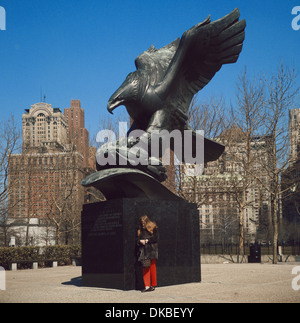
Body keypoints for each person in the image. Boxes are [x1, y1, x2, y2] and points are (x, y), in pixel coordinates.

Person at [137, 215, 159, 293]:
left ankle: (153, 285)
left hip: (152, 250)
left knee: (152, 267)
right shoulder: (140, 230)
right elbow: (137, 240)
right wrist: (140, 241)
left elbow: (156, 238)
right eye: (142, 223)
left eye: (144, 223)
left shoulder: (153, 227)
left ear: (147, 222)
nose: (143, 224)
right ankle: (147, 286)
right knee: (145, 268)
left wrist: (147, 240)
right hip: (144, 251)